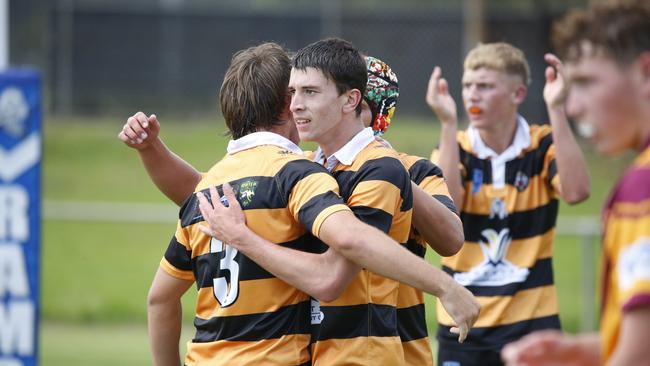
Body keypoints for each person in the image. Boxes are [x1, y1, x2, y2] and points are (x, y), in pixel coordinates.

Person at [134, 41, 479, 366]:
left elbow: (346, 261)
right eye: (293, 92)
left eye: (309, 92)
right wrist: (152, 150)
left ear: (355, 103)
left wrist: (445, 285)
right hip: (323, 353)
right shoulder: (306, 167)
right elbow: (209, 192)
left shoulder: (380, 167)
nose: (296, 104)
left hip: (369, 355)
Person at [501, 1, 650, 365]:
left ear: (646, 73)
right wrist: (578, 351)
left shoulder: (641, 192)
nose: (574, 107)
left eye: (585, 82)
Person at [426, 41, 590, 365]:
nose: (473, 94)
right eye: (468, 85)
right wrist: (447, 124)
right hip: (463, 328)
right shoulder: (453, 145)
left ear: (517, 94)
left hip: (533, 327)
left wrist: (557, 108)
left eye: (485, 86)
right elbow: (449, 210)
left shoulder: (541, 145)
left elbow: (576, 191)